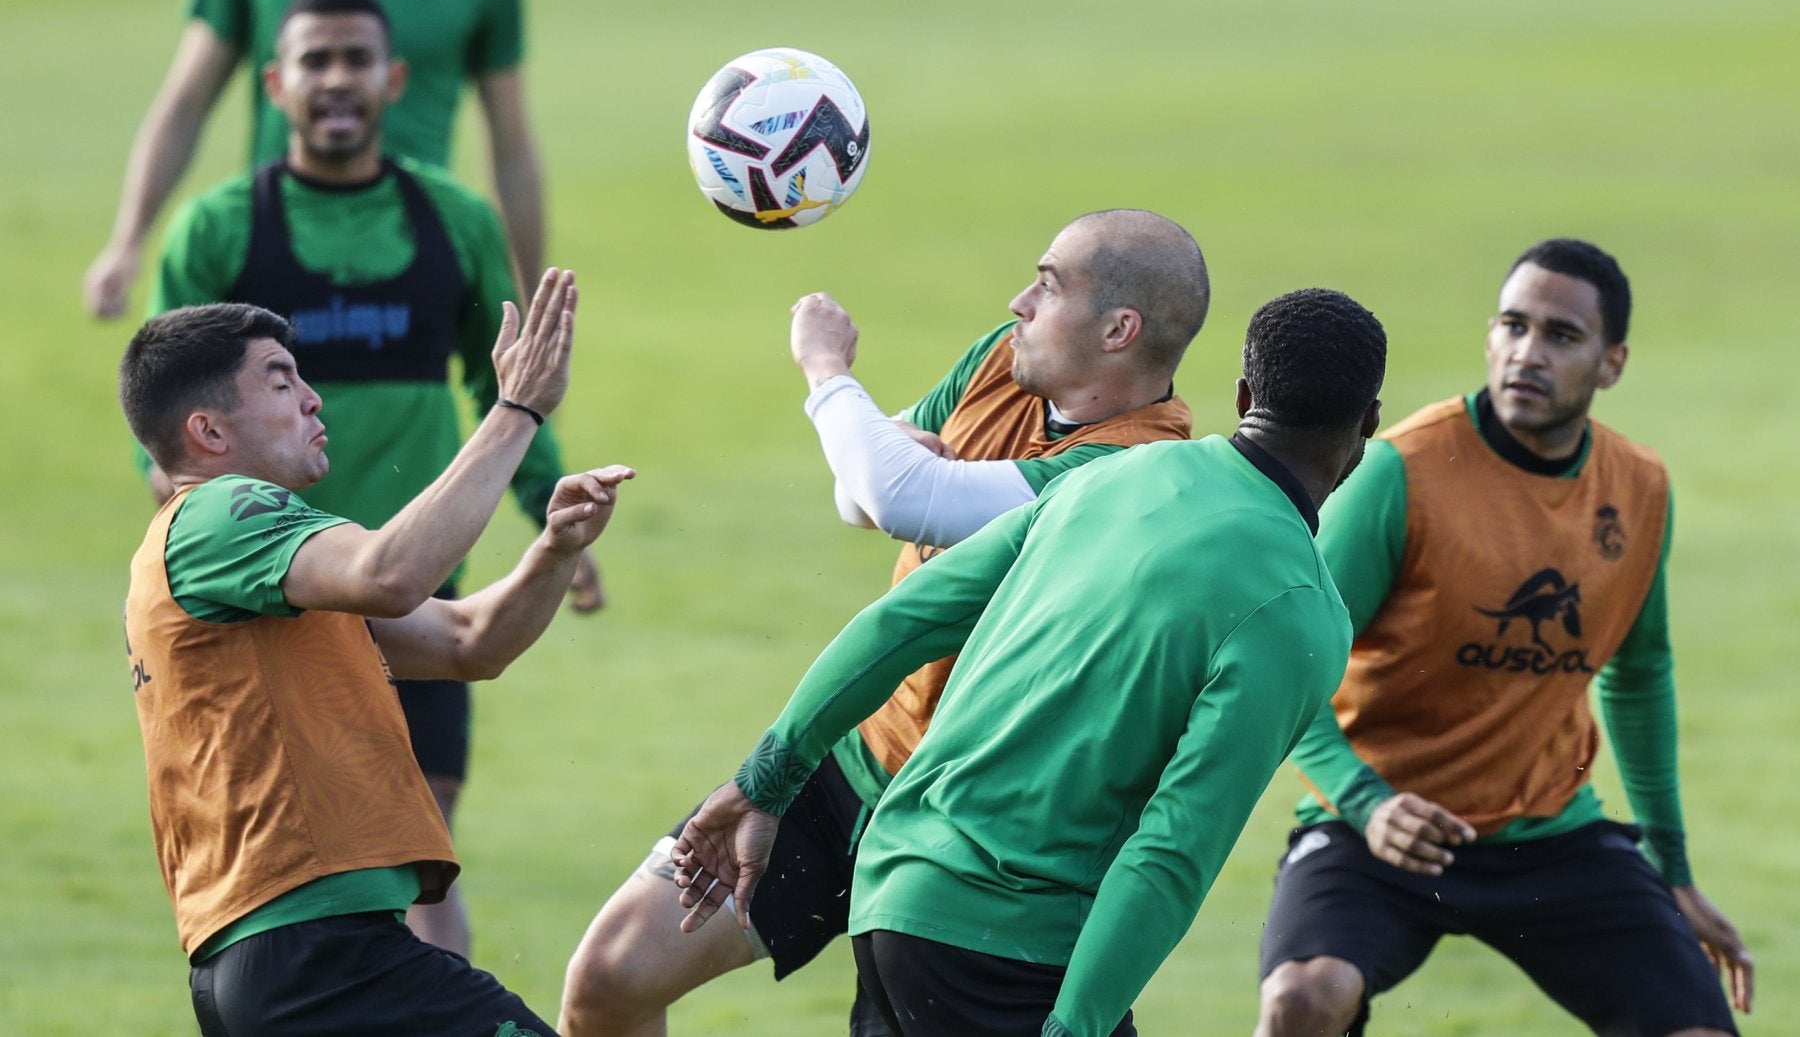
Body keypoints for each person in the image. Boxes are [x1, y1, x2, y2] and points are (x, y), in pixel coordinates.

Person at [670, 288, 1389, 1037]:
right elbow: (1175, 844)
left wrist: (766, 781)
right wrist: (1077, 1024)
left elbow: (902, 621)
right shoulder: (1302, 611)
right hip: (1009, 944)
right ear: (1368, 423)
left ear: (1244, 395)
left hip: (891, 890)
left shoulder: (1115, 475)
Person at [558, 209, 1205, 1037]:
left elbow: (896, 490)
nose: (1018, 301)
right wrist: (886, 465)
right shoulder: (1005, 364)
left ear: (1119, 329)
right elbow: (863, 490)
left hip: (969, 833)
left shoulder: (1130, 467)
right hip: (852, 760)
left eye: (1047, 285)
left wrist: (826, 368)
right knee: (610, 976)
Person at [134, 0, 598, 957]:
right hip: (273, 589)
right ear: (274, 85)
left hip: (418, 569)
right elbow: (170, 439)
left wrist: (550, 525)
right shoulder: (218, 230)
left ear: (395, 81)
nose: (336, 79)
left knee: (415, 838)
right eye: (315, 60)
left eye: (356, 61)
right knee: (294, 859)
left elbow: (498, 378)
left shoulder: (455, 222)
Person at [1254, 239, 1754, 1037]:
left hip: (1550, 833)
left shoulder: (1638, 487)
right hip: (1379, 826)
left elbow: (1640, 671)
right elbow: (1282, 668)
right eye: (1514, 326)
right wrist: (1365, 802)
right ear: (1490, 335)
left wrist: (1676, 872)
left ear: (1613, 361)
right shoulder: (1400, 471)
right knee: (1302, 1001)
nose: (1528, 353)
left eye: (1560, 335)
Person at [118, 274, 629, 1035]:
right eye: (280, 380)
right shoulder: (219, 511)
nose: (313, 398)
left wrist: (552, 550)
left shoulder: (249, 568)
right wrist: (515, 412)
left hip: (288, 962)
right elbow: (390, 573)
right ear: (210, 433)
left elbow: (467, 642)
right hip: (315, 956)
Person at [85, 0, 543, 319]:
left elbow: (511, 149)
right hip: (276, 240)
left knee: (405, 412)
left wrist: (528, 306)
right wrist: (127, 241)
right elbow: (186, 103)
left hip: (412, 247)